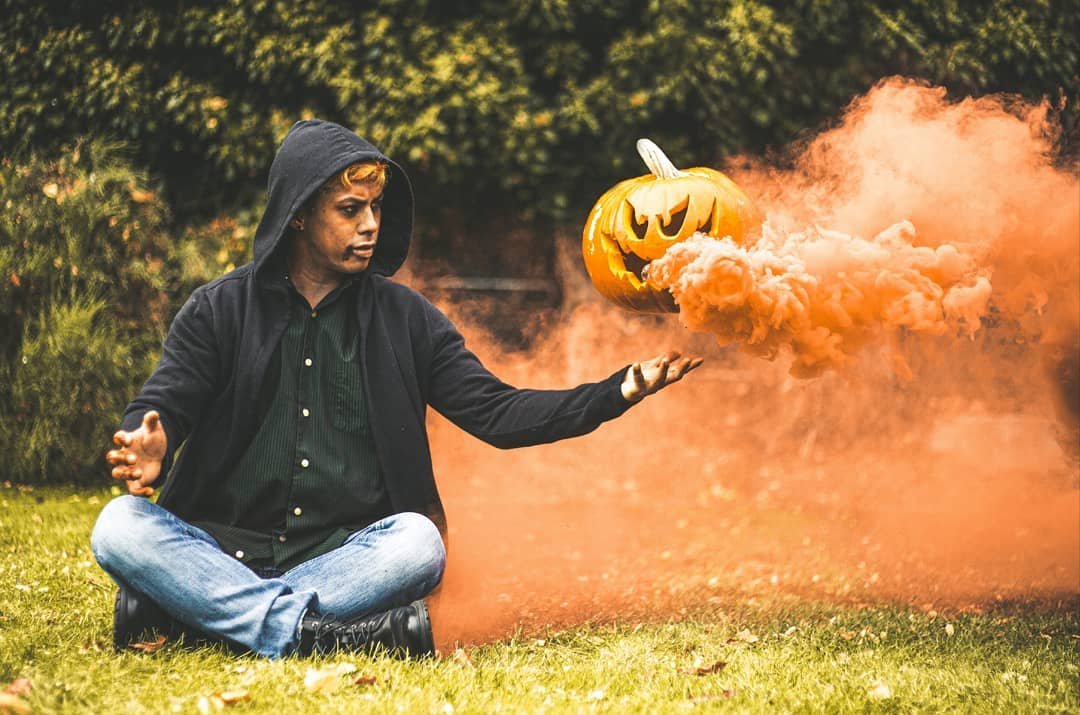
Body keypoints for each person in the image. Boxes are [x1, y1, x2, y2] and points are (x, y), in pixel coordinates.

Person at [90, 119, 701, 659]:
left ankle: (200, 616)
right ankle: (313, 634)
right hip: (221, 550)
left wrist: (616, 390)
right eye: (350, 210)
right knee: (120, 525)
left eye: (375, 209)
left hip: (345, 560)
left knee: (417, 543)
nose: (371, 225)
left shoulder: (408, 321)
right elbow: (167, 399)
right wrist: (153, 436)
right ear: (298, 213)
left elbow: (500, 413)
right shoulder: (219, 310)